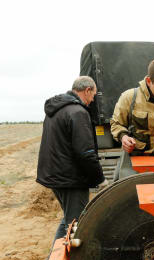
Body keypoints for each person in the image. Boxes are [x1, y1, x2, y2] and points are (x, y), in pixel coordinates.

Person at [36, 76, 107, 247]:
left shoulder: (56, 110)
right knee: (77, 224)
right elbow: (86, 152)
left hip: (54, 176)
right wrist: (100, 179)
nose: (92, 100)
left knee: (70, 219)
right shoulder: (78, 112)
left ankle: (55, 258)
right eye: (93, 95)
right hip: (71, 180)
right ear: (87, 90)